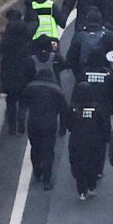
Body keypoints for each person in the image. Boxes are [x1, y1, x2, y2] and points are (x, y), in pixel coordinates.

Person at [21, 43, 68, 190]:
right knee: (48, 151)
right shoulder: (56, 90)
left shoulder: (31, 88)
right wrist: (63, 127)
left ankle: (37, 171)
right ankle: (47, 179)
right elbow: (63, 109)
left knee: (35, 148)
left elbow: (23, 106)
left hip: (33, 122)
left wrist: (21, 123)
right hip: (49, 124)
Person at [0, 9, 33, 134]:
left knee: (11, 101)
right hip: (24, 74)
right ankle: (21, 119)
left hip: (9, 75)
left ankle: (12, 127)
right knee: (23, 100)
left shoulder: (6, 41)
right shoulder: (26, 42)